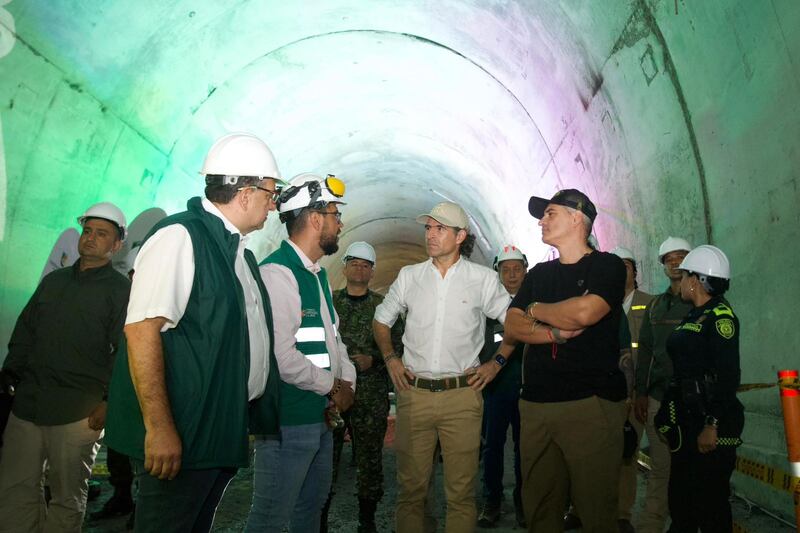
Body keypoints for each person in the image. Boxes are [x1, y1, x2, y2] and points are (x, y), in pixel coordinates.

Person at [104, 132, 282, 533]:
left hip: (215, 432)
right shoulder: (179, 237)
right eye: (271, 193)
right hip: (181, 437)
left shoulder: (237, 252)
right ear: (245, 192)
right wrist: (160, 427)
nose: (273, 204)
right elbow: (142, 332)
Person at [373, 201, 510, 533]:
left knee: (461, 495)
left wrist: (496, 363)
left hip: (462, 397)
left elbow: (515, 324)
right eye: (428, 228)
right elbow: (380, 321)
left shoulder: (483, 279)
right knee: (411, 493)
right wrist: (391, 358)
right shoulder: (410, 276)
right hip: (414, 395)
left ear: (461, 235)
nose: (430, 235)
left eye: (440, 229)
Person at [0, 202, 130, 531]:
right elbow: (25, 331)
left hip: (78, 413)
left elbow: (125, 353)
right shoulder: (54, 281)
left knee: (66, 497)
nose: (90, 239)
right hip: (28, 405)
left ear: (116, 245)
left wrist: (108, 402)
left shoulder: (121, 291)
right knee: (15, 490)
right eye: (88, 231)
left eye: (102, 234)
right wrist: (10, 376)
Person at [504, 189, 628, 532]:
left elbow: (586, 312)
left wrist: (535, 309)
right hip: (536, 405)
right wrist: (553, 333)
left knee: (595, 509)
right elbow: (512, 324)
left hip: (588, 404)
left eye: (550, 213)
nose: (542, 221)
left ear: (577, 217)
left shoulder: (608, 266)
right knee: (540, 507)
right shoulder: (540, 274)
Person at [246, 174, 356, 533]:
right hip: (288, 420)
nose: (340, 223)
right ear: (313, 219)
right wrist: (332, 386)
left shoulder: (317, 275)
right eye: (334, 214)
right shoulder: (278, 273)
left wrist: (347, 381)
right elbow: (281, 355)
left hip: (319, 416)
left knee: (310, 510)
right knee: (270, 517)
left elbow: (333, 338)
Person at [655, 245, 743, 532]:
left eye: (685, 276)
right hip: (687, 421)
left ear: (696, 281)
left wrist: (712, 424)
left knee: (711, 504)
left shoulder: (720, 318)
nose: (680, 282)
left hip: (709, 423)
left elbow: (728, 377)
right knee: (683, 501)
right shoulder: (696, 315)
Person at [326, 241, 404, 533]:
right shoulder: (329, 302)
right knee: (325, 456)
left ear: (372, 272)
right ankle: (318, 516)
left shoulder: (382, 307)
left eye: (365, 264)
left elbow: (398, 346)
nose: (359, 268)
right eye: (354, 263)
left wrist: (375, 361)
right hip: (333, 391)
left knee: (370, 458)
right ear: (345, 267)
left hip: (370, 392)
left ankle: (367, 519)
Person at [632, 236, 693, 533]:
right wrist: (641, 393)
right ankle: (650, 526)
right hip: (658, 398)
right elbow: (644, 351)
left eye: (681, 256)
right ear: (663, 265)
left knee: (691, 469)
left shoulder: (702, 302)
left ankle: (685, 524)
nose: (675, 261)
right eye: (669, 258)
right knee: (660, 468)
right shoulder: (655, 306)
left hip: (692, 400)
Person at [477, 245, 528, 528]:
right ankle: (492, 500)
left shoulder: (536, 305)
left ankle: (523, 500)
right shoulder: (486, 307)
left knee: (526, 447)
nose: (511, 274)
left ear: (525, 271)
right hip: (495, 388)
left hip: (526, 388)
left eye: (516, 269)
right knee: (492, 446)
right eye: (505, 269)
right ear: (497, 272)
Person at [609, 246, 654, 533]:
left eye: (626, 266)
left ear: (635, 272)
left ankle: (623, 514)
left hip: (638, 393)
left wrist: (642, 392)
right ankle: (585, 508)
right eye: (616, 266)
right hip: (606, 392)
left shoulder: (651, 304)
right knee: (598, 455)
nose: (621, 271)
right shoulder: (600, 304)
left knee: (628, 454)